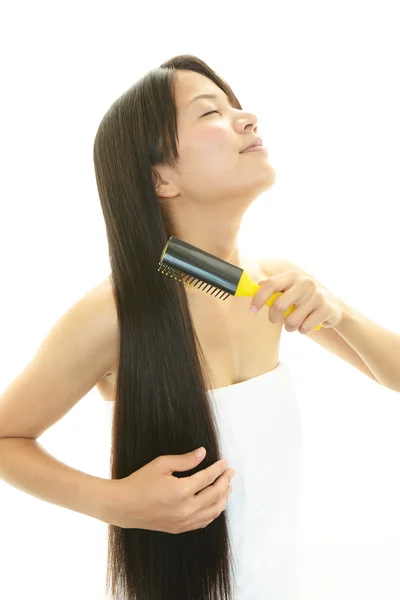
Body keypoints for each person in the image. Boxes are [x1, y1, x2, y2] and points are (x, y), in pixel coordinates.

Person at [0, 55, 303, 599]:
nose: (247, 118)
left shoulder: (280, 288)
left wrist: (340, 314)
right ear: (160, 177)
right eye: (210, 112)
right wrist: (112, 503)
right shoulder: (116, 313)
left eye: (236, 105)